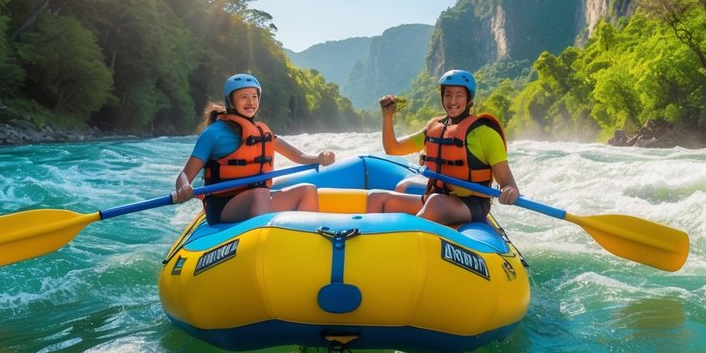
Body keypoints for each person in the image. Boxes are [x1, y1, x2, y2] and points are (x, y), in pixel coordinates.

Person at [170, 73, 336, 224]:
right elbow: (184, 175)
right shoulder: (213, 134)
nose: (251, 102)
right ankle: (262, 244)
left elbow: (298, 156)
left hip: (258, 199)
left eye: (254, 96)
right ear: (230, 101)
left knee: (307, 190)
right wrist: (184, 187)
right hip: (223, 205)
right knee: (260, 193)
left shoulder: (261, 131)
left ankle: (304, 242)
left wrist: (319, 158)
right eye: (244, 97)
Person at [368, 69, 519, 223]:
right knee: (375, 198)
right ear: (442, 97)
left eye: (459, 95)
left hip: (470, 204)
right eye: (448, 95)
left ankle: (405, 236)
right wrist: (387, 117)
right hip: (437, 198)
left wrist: (509, 191)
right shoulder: (434, 128)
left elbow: (508, 184)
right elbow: (393, 148)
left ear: (469, 98)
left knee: (435, 203)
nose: (453, 101)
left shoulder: (485, 134)